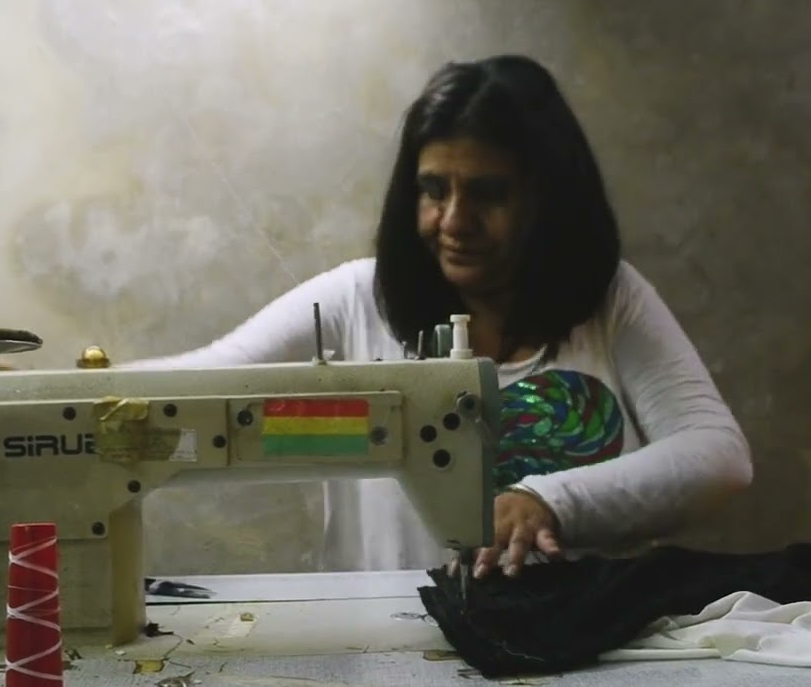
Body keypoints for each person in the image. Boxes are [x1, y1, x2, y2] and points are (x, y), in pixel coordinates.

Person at [112, 54, 753, 579]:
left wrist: (548, 499)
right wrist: (42, 391)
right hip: (386, 648)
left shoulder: (610, 301)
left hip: (581, 646)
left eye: (489, 194)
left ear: (548, 196)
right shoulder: (356, 301)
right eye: (433, 190)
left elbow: (718, 456)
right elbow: (201, 385)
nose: (453, 222)